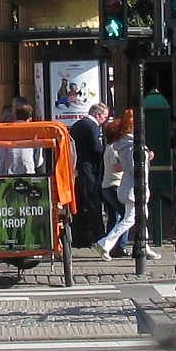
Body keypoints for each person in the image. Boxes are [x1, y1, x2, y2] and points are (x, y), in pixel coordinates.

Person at [98, 113, 148, 258]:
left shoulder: (119, 146)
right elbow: (128, 168)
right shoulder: (123, 147)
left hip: (120, 185)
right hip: (121, 186)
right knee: (127, 219)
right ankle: (106, 244)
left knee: (138, 217)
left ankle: (144, 246)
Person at [66, 102, 106, 249]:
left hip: (77, 167)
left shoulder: (77, 125)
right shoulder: (92, 126)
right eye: (104, 117)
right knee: (93, 201)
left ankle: (79, 237)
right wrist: (105, 154)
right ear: (98, 114)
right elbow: (96, 148)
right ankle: (98, 237)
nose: (105, 121)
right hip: (88, 168)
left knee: (80, 203)